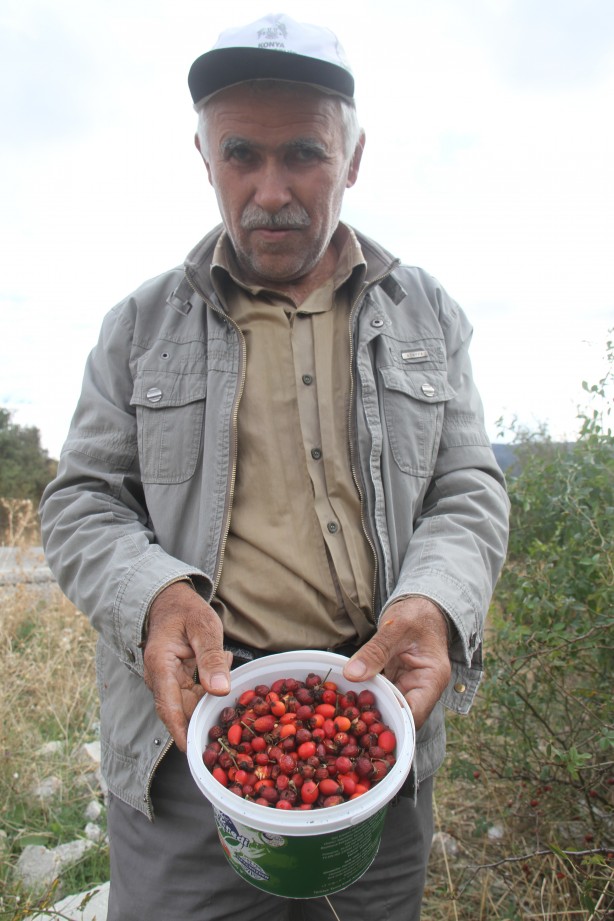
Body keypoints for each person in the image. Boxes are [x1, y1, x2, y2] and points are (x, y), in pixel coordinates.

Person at [40, 12, 509, 921]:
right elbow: (82, 503)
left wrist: (436, 604)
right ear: (204, 157)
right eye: (241, 155)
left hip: (371, 722)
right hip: (192, 737)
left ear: (355, 155)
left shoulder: (427, 315)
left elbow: (468, 485)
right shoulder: (139, 327)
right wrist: (157, 599)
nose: (271, 189)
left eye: (304, 153)